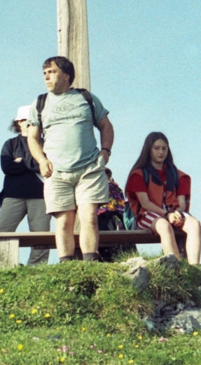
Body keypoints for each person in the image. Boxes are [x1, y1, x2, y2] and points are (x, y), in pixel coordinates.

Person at [27, 56, 114, 262]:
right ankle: (67, 264)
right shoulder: (39, 103)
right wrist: (41, 160)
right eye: (44, 73)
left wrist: (106, 151)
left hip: (89, 168)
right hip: (56, 171)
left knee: (89, 217)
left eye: (52, 72)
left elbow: (106, 125)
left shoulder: (86, 98)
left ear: (66, 75)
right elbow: (32, 137)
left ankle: (91, 263)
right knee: (64, 221)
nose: (46, 76)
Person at [0, 105, 50, 267]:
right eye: (26, 120)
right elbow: (7, 167)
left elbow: (50, 166)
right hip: (13, 195)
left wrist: (21, 161)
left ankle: (37, 268)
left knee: (41, 235)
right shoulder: (10, 144)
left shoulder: (47, 143)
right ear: (19, 122)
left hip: (41, 196)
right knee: (1, 230)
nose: (29, 124)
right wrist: (36, 163)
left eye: (33, 121)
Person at [126, 132, 201, 265]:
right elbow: (145, 203)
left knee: (194, 224)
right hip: (147, 214)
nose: (161, 152)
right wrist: (167, 214)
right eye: (156, 148)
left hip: (174, 212)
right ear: (148, 149)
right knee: (164, 225)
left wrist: (176, 213)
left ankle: (194, 267)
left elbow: (182, 203)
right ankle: (177, 268)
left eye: (164, 148)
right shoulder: (138, 174)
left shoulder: (178, 175)